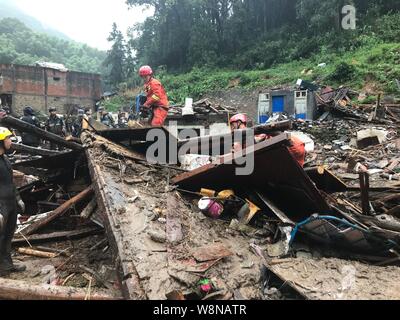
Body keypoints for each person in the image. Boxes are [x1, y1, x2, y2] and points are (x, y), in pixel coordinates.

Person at [229, 113, 306, 167]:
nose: (231, 128)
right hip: (294, 151)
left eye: (232, 125)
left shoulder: (250, 135)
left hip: (292, 148)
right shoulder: (251, 134)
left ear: (239, 122)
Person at [0, 127, 26, 276]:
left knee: (8, 235)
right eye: (8, 138)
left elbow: (10, 182)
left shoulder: (5, 159)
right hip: (1, 205)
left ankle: (7, 264)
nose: (11, 141)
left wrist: (18, 198)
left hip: (10, 203)